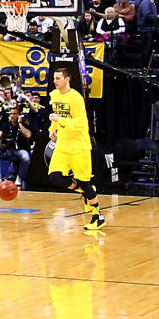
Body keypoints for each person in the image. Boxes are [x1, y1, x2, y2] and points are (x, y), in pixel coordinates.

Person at [47, 66, 104, 230]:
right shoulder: (55, 95)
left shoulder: (76, 98)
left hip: (79, 145)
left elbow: (80, 123)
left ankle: (97, 216)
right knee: (54, 177)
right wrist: (53, 128)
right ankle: (82, 189)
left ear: (67, 79)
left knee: (85, 182)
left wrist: (60, 121)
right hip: (63, 145)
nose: (55, 81)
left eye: (58, 78)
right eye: (54, 78)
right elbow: (57, 116)